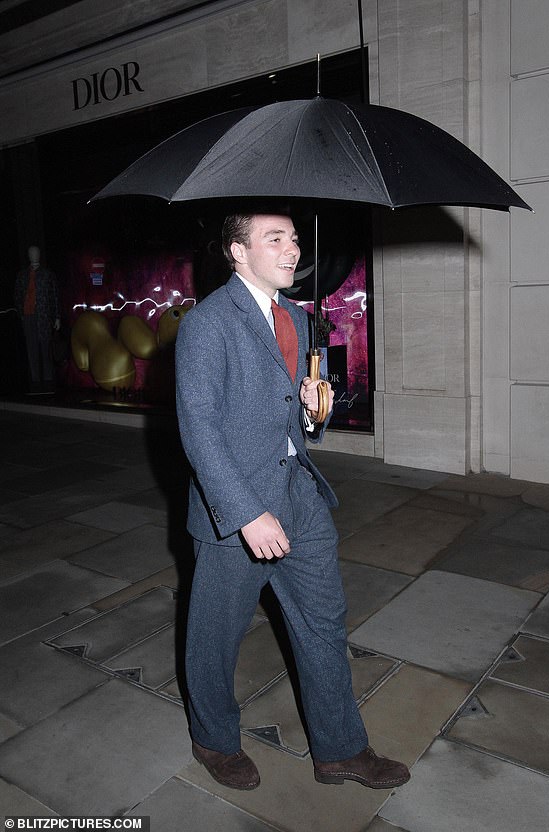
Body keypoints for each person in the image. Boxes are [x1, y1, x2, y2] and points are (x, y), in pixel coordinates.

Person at [175, 211, 410, 791]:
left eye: (294, 238)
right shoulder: (208, 324)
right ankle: (213, 740)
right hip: (237, 508)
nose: (291, 248)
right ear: (236, 252)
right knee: (215, 634)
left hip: (299, 494)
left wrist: (314, 409)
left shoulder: (299, 320)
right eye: (273, 238)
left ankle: (340, 750)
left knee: (322, 623)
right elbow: (198, 429)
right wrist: (246, 514)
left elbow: (299, 420)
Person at [14, 245, 60, 393]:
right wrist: (22, 314)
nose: (34, 255)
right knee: (31, 348)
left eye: (36, 252)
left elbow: (54, 296)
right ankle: (35, 381)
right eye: (31, 253)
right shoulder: (22, 275)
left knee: (45, 348)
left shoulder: (47, 274)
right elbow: (18, 296)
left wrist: (57, 317)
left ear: (39, 254)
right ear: (28, 255)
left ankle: (48, 380)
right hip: (28, 316)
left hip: (44, 316)